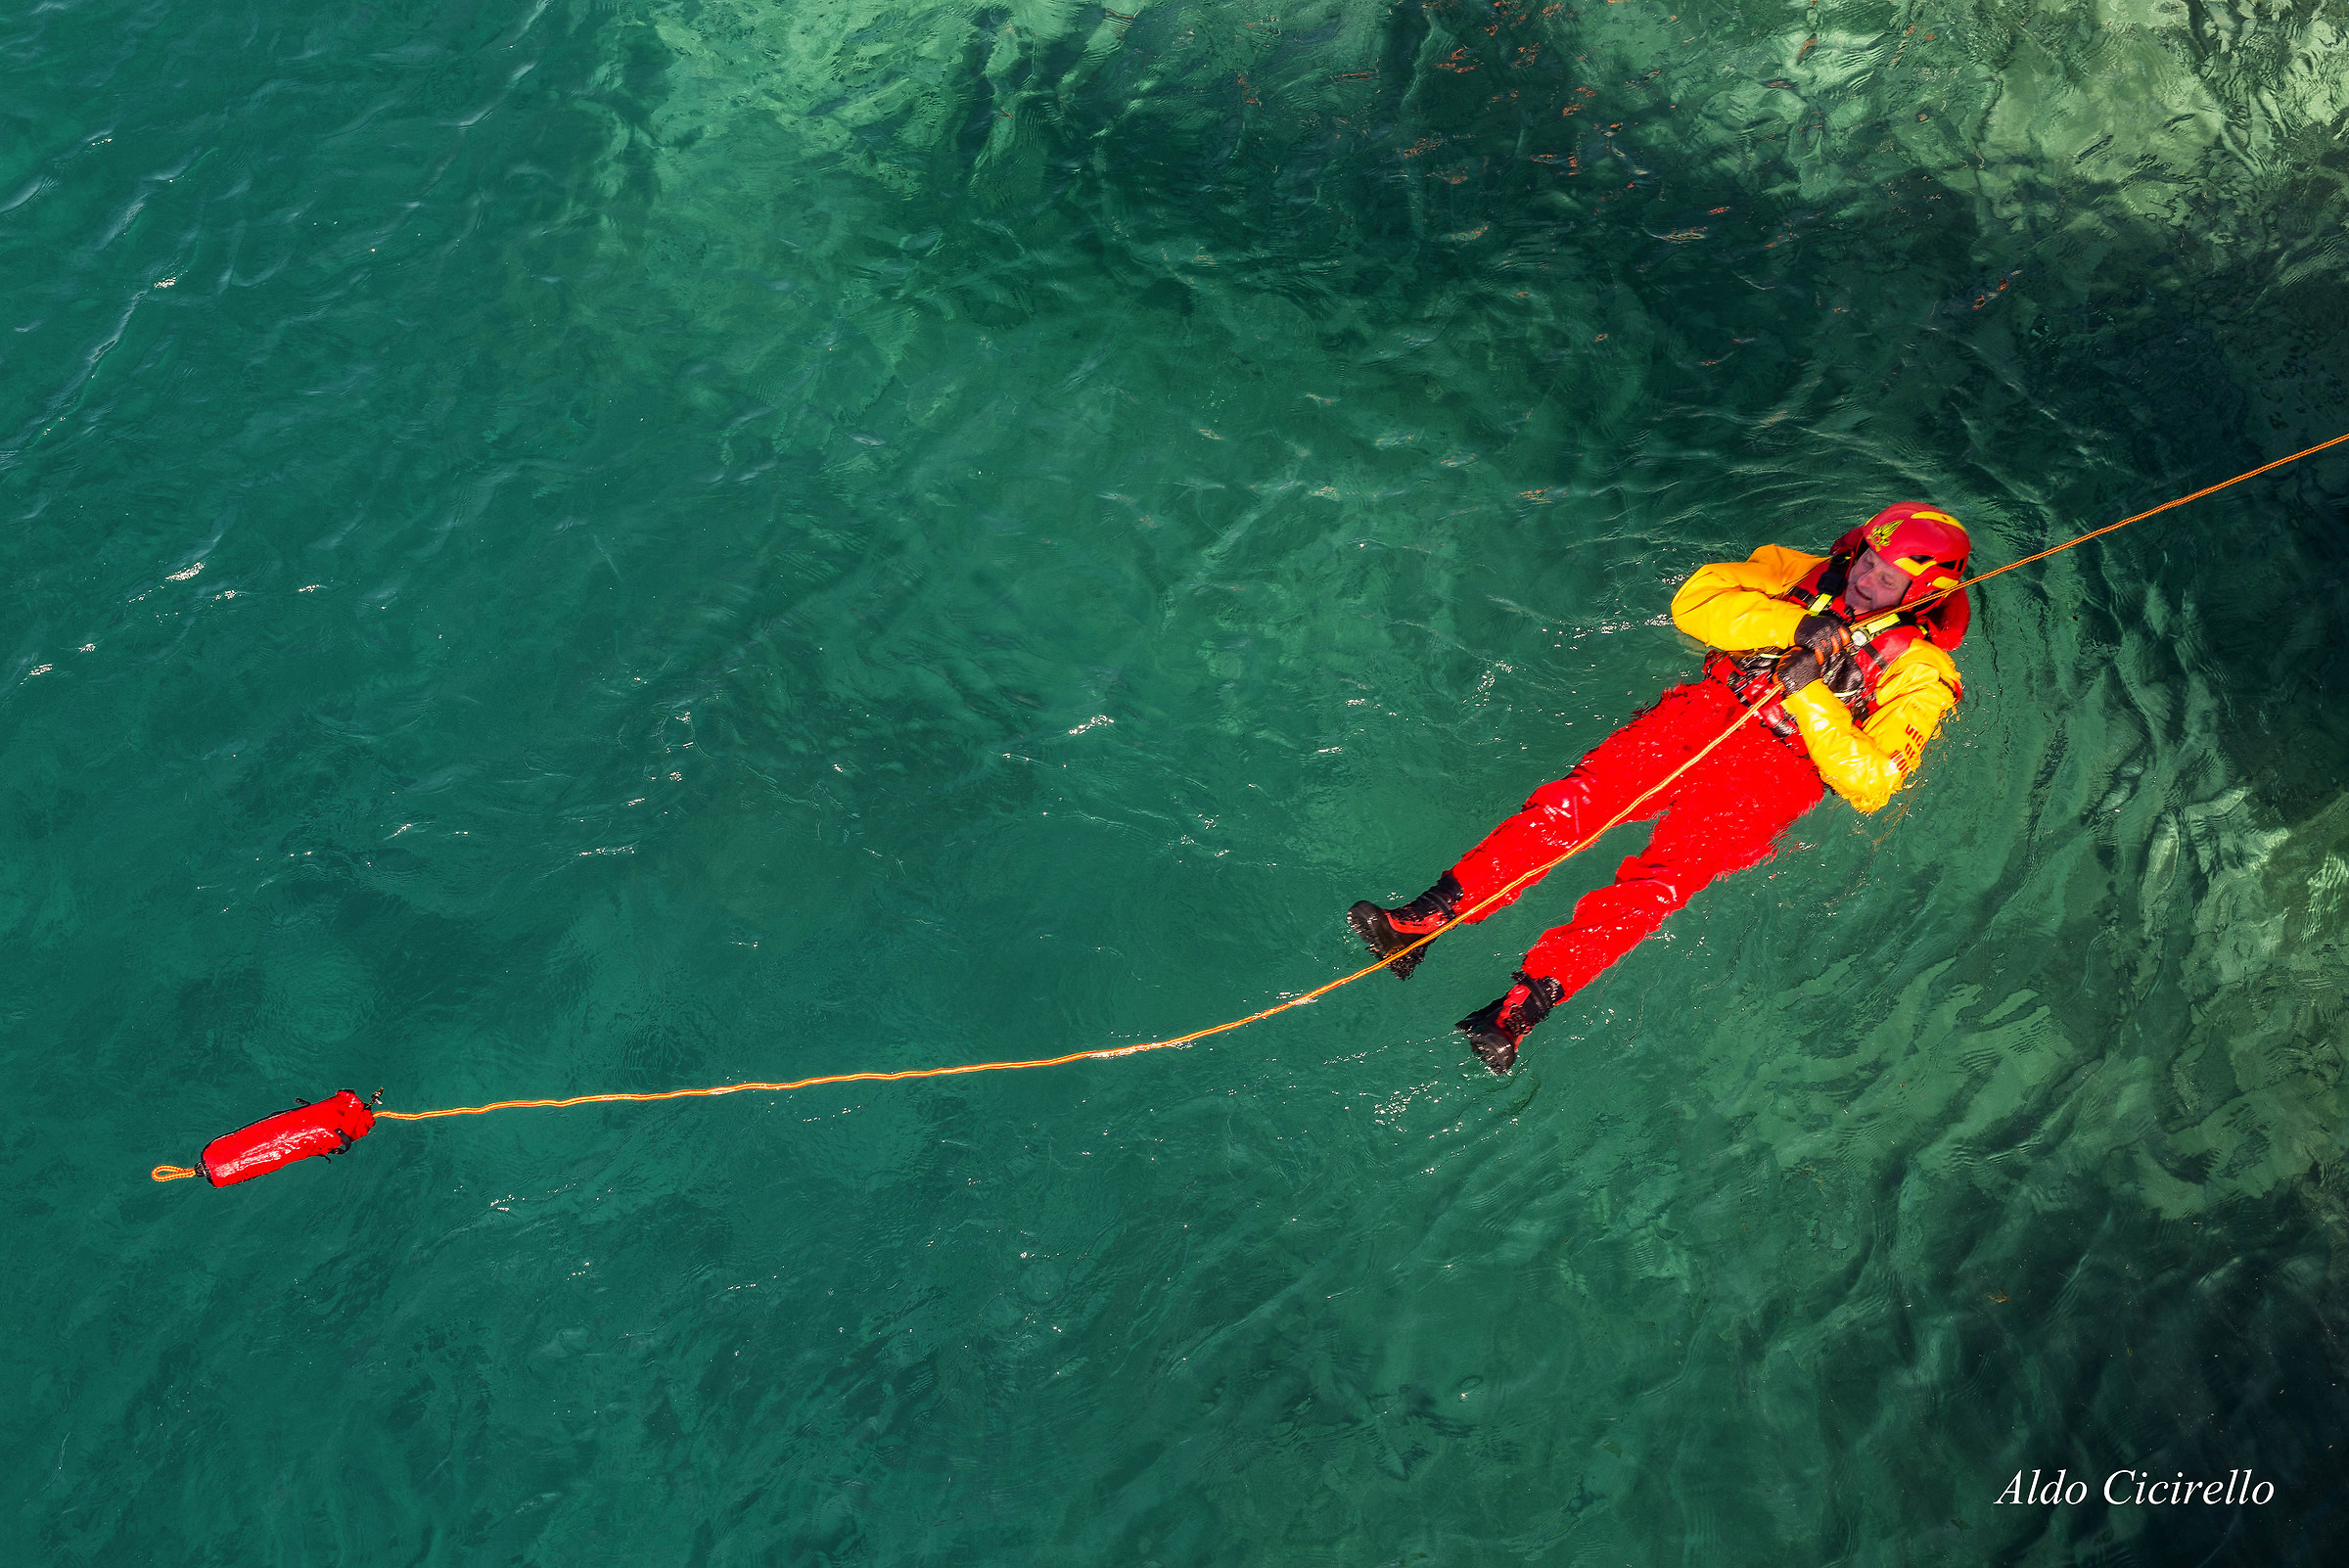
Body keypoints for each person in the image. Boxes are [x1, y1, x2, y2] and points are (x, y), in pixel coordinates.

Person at [1349, 504, 1973, 1073]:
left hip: (1778, 773)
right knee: (1576, 801)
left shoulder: (1924, 674)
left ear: (1923, 595)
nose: (1863, 580)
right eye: (1866, 559)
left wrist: (1808, 689)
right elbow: (1695, 602)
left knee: (1657, 885)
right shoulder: (1794, 573)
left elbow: (1872, 782)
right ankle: (1424, 920)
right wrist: (1793, 629)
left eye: (1886, 578)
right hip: (1707, 710)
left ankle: (1516, 1011)